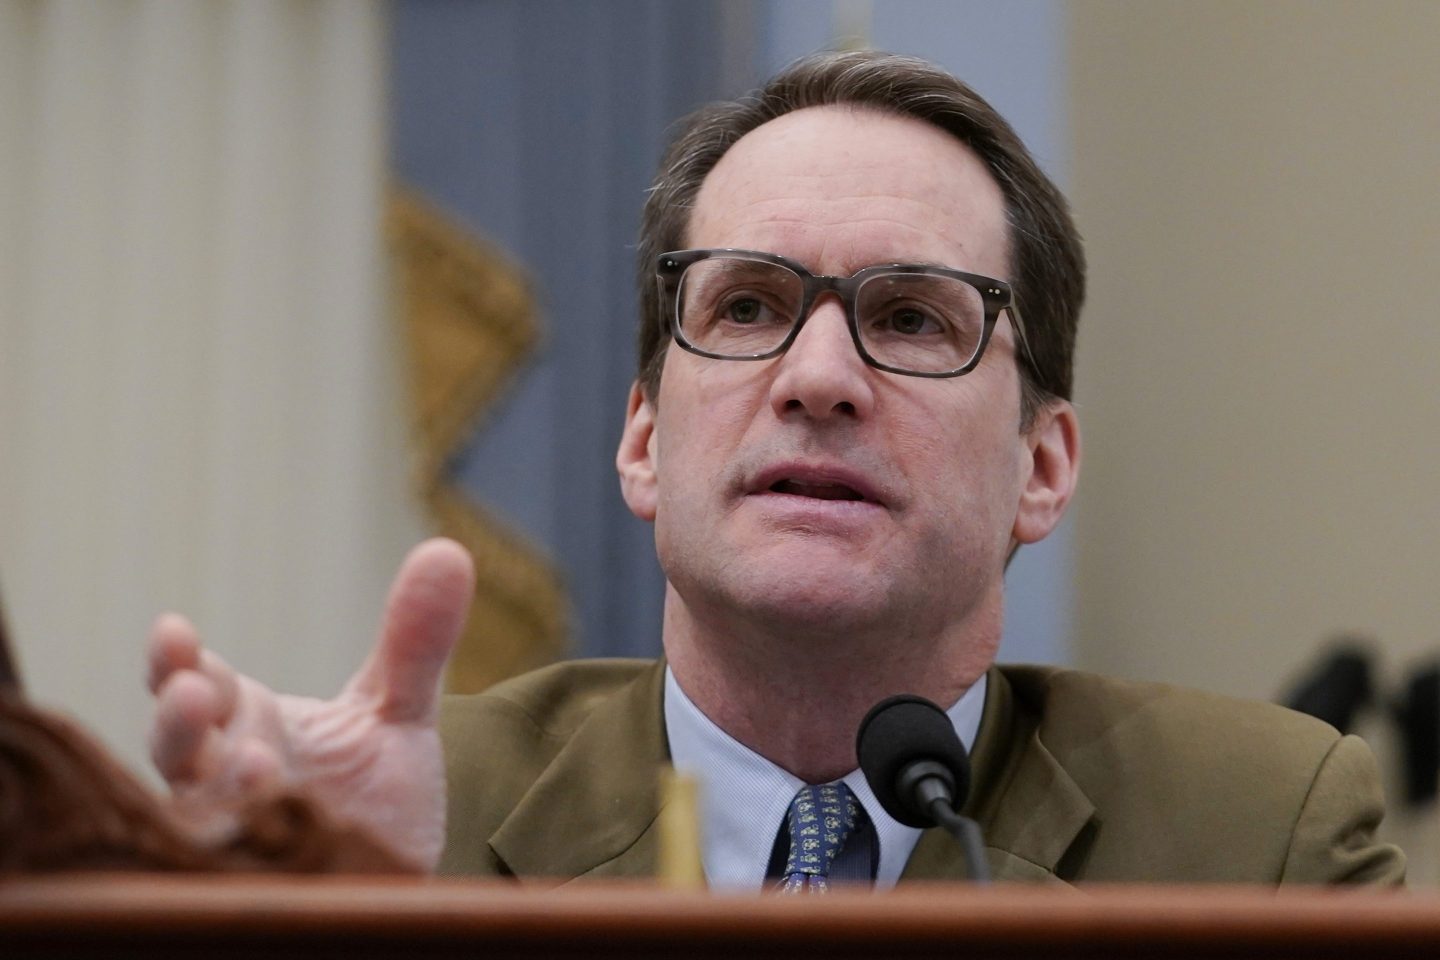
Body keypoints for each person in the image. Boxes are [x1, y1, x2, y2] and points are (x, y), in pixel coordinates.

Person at [146, 51, 1403, 888]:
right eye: (747, 306)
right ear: (644, 438)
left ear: (1042, 464)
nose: (817, 376)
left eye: (912, 317)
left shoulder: (1259, 833)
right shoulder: (406, 826)